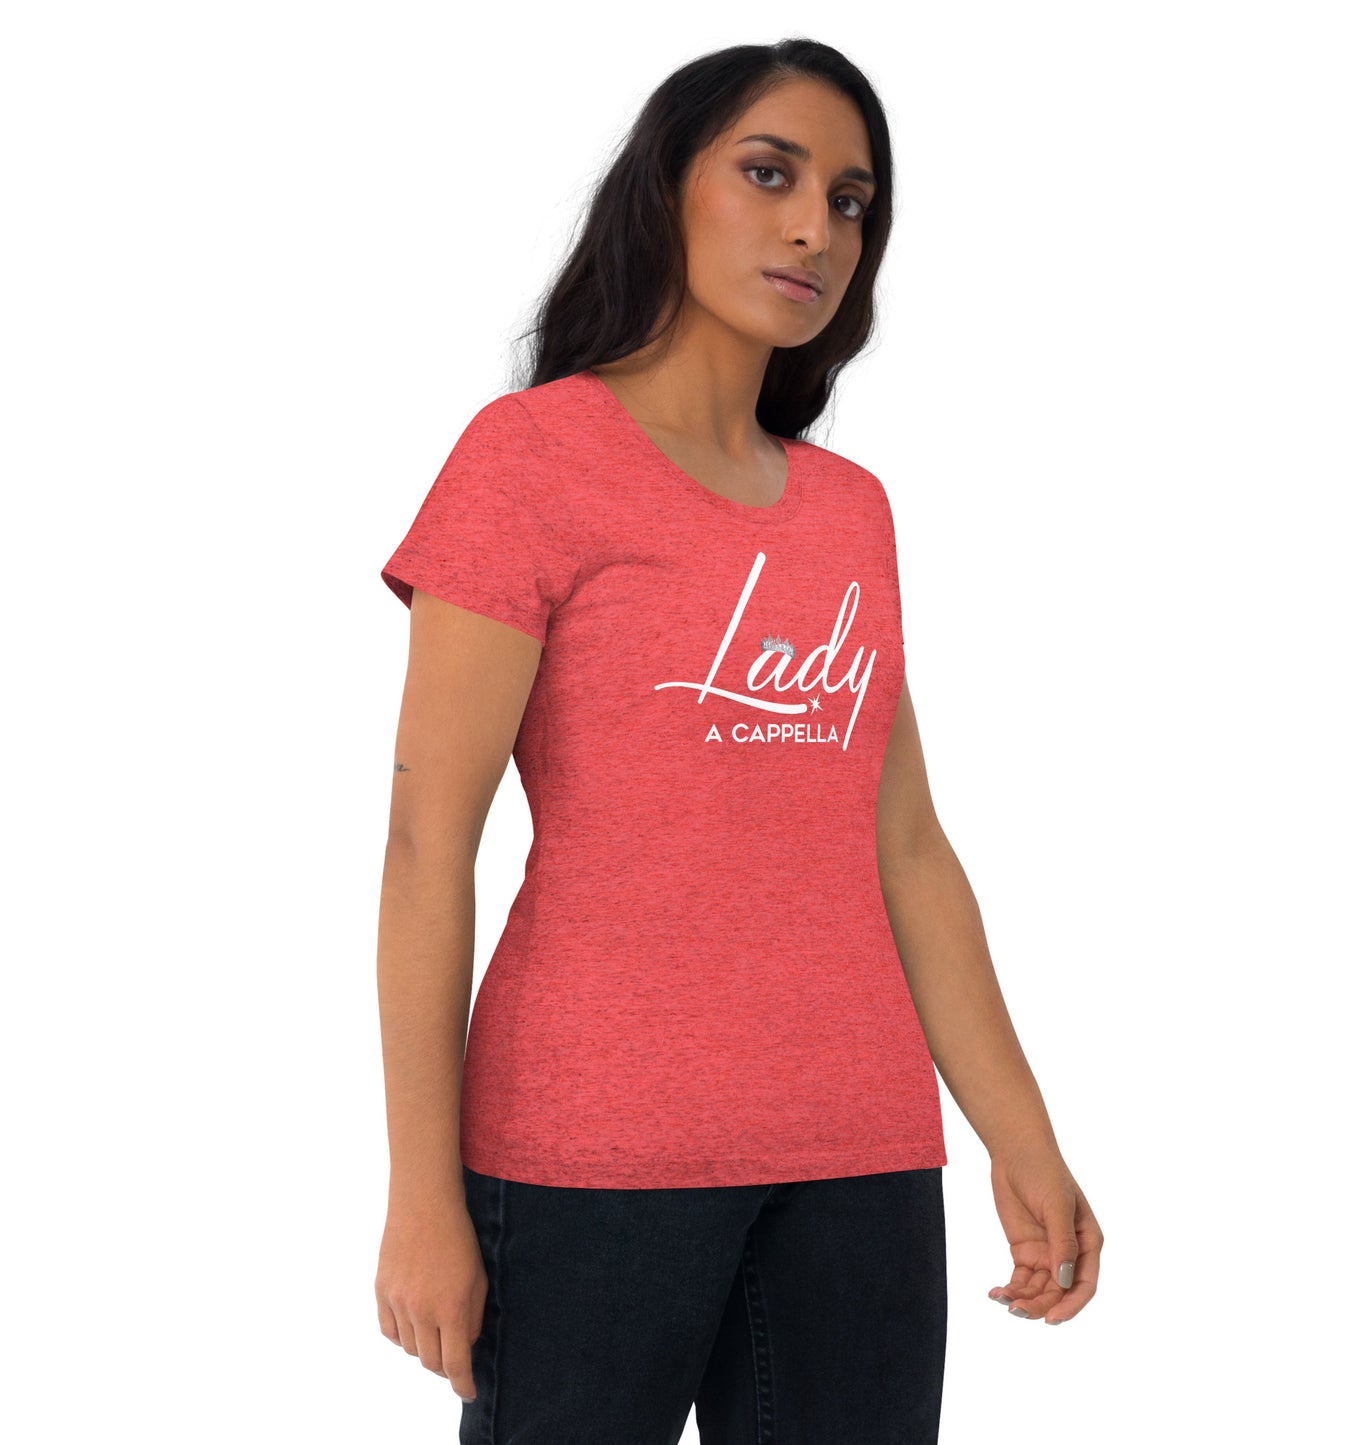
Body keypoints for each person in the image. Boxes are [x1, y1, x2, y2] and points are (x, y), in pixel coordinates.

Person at [373, 36, 1103, 1445]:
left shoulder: (849, 510)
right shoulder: (529, 460)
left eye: (850, 201)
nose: (814, 227)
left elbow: (905, 848)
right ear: (666, 187)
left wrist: (1021, 1135)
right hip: (590, 1153)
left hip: (859, 1156)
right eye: (770, 174)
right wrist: (421, 1195)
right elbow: (425, 844)